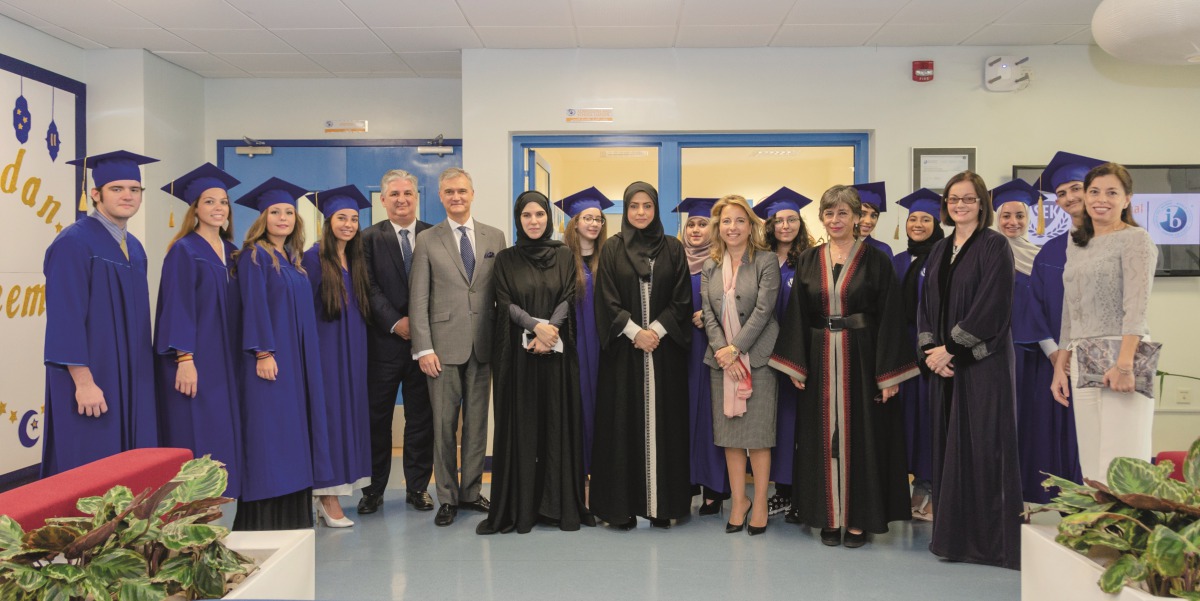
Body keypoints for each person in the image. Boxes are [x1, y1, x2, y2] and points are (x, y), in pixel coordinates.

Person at [770, 184, 916, 549]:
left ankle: (858, 520)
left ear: (857, 218)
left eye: (844, 213)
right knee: (821, 438)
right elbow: (798, 316)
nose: (836, 220)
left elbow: (890, 318)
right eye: (829, 213)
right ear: (821, 218)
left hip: (863, 358)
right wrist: (796, 365)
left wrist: (889, 375)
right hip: (820, 358)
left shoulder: (877, 260)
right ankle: (827, 517)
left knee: (862, 438)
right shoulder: (808, 259)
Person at [918, 171, 1022, 569]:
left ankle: (990, 544)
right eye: (953, 199)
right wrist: (931, 351)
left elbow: (993, 305)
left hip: (983, 365)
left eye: (968, 198)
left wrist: (953, 351)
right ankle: (953, 539)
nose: (960, 205)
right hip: (944, 368)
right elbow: (926, 306)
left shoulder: (995, 246)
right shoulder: (941, 249)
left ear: (982, 203)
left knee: (984, 449)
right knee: (950, 448)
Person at [477, 191, 592, 534]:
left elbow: (568, 297)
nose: (533, 221)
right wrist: (535, 327)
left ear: (548, 219)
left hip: (556, 354)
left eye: (539, 215)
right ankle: (523, 505)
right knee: (524, 426)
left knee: (556, 424)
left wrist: (550, 330)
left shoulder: (564, 256)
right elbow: (505, 302)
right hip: (520, 357)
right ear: (518, 219)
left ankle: (556, 505)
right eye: (526, 215)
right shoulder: (506, 259)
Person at [42, 151, 160, 477]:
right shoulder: (73, 243)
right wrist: (83, 381)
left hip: (130, 376)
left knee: (131, 465)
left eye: (134, 190)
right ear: (95, 194)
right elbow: (65, 318)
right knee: (90, 463)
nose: (127, 196)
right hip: (93, 375)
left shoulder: (134, 247)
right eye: (117, 189)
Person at [591, 181, 692, 530]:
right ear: (626, 209)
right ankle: (622, 508)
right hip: (624, 353)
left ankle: (662, 507)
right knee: (622, 426)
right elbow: (606, 299)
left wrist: (656, 333)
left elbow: (682, 299)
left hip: (665, 356)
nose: (641, 213)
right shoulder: (612, 249)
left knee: (666, 428)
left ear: (656, 209)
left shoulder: (673, 248)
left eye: (647, 206)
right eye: (634, 206)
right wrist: (636, 333)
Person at [232, 177, 331, 531]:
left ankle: (292, 516)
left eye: (289, 212)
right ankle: (264, 519)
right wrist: (262, 352)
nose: (283, 218)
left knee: (292, 435)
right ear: (262, 217)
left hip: (297, 363)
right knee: (271, 435)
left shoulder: (291, 259)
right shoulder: (255, 256)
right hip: (270, 362)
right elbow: (254, 306)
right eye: (276, 212)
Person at [409, 167, 506, 527]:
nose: (456, 197)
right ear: (440, 196)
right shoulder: (428, 240)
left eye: (462, 191)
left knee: (478, 425)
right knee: (444, 425)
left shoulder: (494, 236)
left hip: (483, 346)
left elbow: (502, 293)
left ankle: (470, 492)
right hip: (442, 349)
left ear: (472, 193)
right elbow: (418, 298)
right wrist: (424, 348)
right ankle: (447, 496)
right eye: (449, 192)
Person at [1051, 163, 1157, 482]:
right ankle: (1100, 529)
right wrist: (1061, 363)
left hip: (1123, 351)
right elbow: (1072, 307)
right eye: (1094, 191)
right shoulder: (1077, 241)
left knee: (1124, 458)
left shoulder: (1136, 239)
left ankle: (1127, 529)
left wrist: (1124, 365)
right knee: (1092, 457)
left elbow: (1136, 308)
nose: (1101, 199)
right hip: (1084, 354)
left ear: (1127, 200)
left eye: (1112, 192)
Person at [154, 163, 243, 498]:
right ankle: (193, 509)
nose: (218, 208)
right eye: (209, 201)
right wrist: (185, 358)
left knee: (222, 432)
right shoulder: (184, 251)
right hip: (195, 358)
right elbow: (177, 306)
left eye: (223, 202)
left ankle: (221, 504)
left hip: (226, 360)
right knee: (197, 431)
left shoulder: (233, 253)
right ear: (194, 209)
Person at [701, 195, 780, 535]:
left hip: (758, 359)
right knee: (731, 438)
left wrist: (736, 350)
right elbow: (707, 314)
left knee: (758, 437)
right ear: (719, 228)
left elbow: (764, 311)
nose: (732, 227)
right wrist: (723, 351)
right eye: (726, 222)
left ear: (751, 226)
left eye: (739, 221)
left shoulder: (766, 261)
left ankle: (759, 500)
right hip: (721, 362)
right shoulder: (710, 265)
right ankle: (738, 500)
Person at [1027, 151, 1104, 493]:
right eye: (1061, 193)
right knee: (1062, 435)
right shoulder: (1050, 251)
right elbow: (1035, 307)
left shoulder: (1119, 240)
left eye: (1077, 188)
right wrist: (1055, 354)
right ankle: (1071, 509)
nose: (1070, 197)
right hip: (1060, 362)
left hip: (1105, 356)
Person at [358, 170, 434, 515]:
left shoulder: (435, 235)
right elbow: (368, 287)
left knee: (422, 420)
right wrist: (396, 322)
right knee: (378, 420)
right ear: (383, 200)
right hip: (383, 345)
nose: (402, 199)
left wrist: (419, 327)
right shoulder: (368, 239)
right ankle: (373, 490)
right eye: (394, 194)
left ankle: (418, 488)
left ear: (417, 197)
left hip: (426, 347)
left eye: (408, 192)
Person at [302, 185, 374, 527]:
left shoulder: (355, 259)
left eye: (354, 219)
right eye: (341, 218)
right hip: (326, 350)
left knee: (349, 416)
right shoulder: (313, 258)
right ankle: (325, 495)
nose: (348, 224)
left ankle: (336, 490)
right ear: (327, 221)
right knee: (328, 418)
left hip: (354, 349)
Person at [991, 178, 1061, 505]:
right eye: (1006, 215)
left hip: (1030, 354)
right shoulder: (986, 255)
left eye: (1020, 216)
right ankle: (994, 493)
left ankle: (1022, 493)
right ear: (994, 217)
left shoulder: (1038, 257)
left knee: (1029, 423)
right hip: (991, 354)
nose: (1013, 222)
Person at [752, 186, 815, 520]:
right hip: (762, 352)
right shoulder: (759, 260)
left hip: (796, 353)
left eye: (792, 220)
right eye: (779, 220)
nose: (786, 226)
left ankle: (799, 492)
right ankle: (780, 492)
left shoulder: (810, 260)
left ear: (800, 224)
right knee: (770, 425)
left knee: (795, 424)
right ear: (771, 225)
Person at [673, 197, 729, 516]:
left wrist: (710, 316)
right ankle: (686, 483)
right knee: (683, 417)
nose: (695, 230)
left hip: (713, 349)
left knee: (712, 418)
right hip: (681, 349)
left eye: (702, 223)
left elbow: (739, 301)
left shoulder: (723, 261)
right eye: (691, 224)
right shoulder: (674, 259)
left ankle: (715, 490)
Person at [891, 188, 945, 521]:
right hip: (902, 349)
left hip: (933, 350)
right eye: (913, 219)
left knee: (931, 419)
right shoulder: (898, 260)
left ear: (938, 222)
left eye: (926, 219)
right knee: (907, 421)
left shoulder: (945, 257)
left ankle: (933, 489)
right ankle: (914, 488)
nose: (918, 224)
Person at [554, 186, 611, 483]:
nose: (593, 223)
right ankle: (575, 482)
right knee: (574, 411)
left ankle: (602, 481)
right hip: (571, 349)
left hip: (604, 349)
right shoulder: (560, 258)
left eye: (598, 219)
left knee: (604, 412)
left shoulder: (610, 257)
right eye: (587, 217)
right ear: (574, 221)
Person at [851, 181, 894, 260]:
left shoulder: (883, 250)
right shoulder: (837, 248)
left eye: (874, 215)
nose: (868, 221)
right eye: (862, 214)